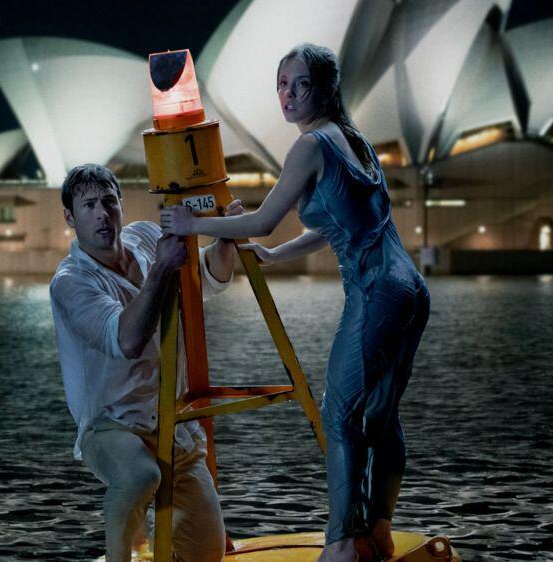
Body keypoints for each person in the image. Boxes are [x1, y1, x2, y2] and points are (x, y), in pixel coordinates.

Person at [160, 44, 430, 561]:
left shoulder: (310, 147)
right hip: (410, 291)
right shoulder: (356, 140)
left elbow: (261, 219)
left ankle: (342, 545)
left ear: (325, 89)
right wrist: (278, 255)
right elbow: (340, 224)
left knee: (340, 416)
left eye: (299, 84)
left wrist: (194, 224)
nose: (286, 94)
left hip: (376, 292)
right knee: (380, 414)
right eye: (281, 84)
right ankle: (378, 528)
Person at [50, 163, 241, 562]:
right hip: (111, 424)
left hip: (171, 423)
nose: (102, 213)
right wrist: (161, 269)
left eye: (108, 201)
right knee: (140, 475)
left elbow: (208, 278)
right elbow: (128, 339)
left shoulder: (145, 237)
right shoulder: (71, 282)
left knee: (206, 553)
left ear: (121, 204)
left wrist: (226, 236)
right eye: (88, 205)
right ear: (70, 217)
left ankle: (152, 546)